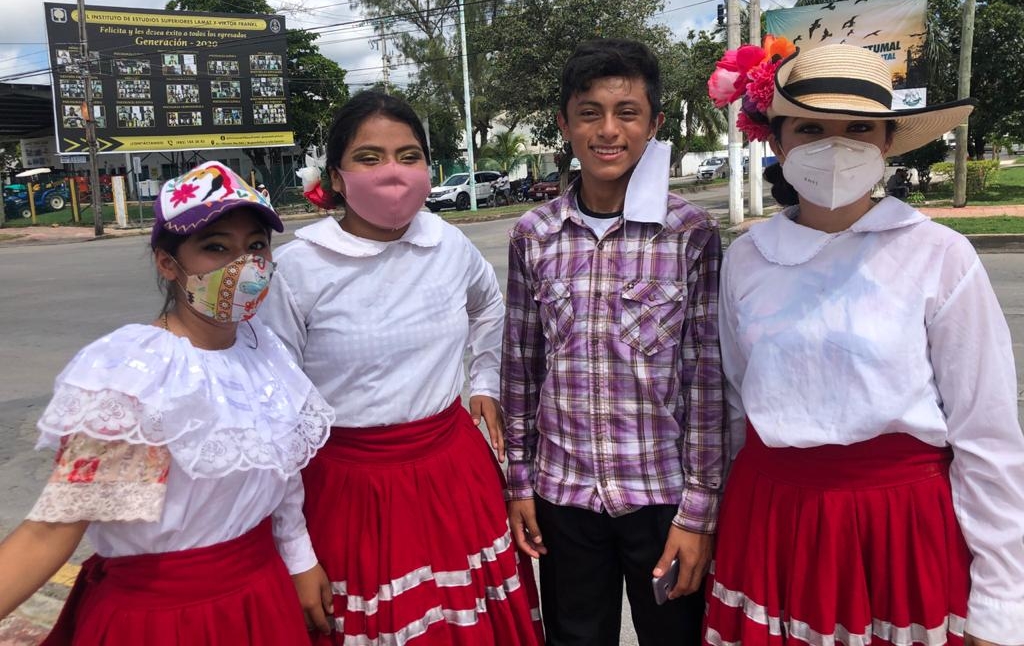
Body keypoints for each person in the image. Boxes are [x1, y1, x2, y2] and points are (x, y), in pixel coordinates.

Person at [704, 41, 1024, 646]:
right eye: (810, 127)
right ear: (777, 141)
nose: (835, 147)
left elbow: (986, 435)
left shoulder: (937, 255)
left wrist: (1002, 601)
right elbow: (736, 406)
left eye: (858, 128)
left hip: (899, 525)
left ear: (886, 142)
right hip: (772, 519)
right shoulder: (746, 258)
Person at [0, 161, 334, 645]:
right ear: (167, 262)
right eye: (216, 247)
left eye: (256, 246)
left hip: (261, 597)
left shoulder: (263, 351)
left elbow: (281, 478)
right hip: (167, 619)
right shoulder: (143, 377)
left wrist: (299, 559)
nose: (245, 266)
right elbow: (52, 530)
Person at [259, 90, 544, 645]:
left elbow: (489, 306)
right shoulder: (297, 271)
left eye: (408, 156)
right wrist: (294, 550)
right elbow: (277, 420)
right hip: (349, 489)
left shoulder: (447, 244)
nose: (393, 173)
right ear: (337, 178)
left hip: (453, 472)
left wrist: (483, 380)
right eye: (370, 158)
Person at [501, 38, 728, 645]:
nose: (608, 131)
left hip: (662, 498)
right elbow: (521, 369)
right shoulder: (535, 235)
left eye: (627, 113)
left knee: (675, 636)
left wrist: (701, 509)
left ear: (654, 124)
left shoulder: (690, 234)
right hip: (564, 496)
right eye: (589, 113)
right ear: (564, 124)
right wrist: (519, 483)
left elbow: (705, 380)